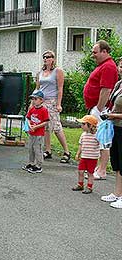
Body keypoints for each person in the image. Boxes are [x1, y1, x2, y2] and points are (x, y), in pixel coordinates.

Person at [83, 40, 118, 180]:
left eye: (95, 52)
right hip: (96, 107)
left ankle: (102, 170)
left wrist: (98, 109)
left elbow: (106, 90)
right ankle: (99, 167)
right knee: (98, 138)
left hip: (100, 108)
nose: (93, 55)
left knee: (102, 139)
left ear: (104, 52)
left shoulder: (108, 67)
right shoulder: (103, 65)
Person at [36, 50, 71, 163]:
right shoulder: (40, 72)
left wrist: (59, 103)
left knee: (56, 126)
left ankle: (66, 151)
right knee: (45, 126)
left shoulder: (57, 71)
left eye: (48, 57)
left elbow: (60, 88)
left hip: (52, 101)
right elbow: (38, 88)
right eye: (44, 57)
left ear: (53, 59)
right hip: (42, 101)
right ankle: (48, 150)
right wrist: (34, 101)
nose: (46, 59)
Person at [100, 57, 122, 207]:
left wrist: (112, 115)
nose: (121, 68)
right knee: (117, 163)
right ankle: (117, 193)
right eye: (121, 65)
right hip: (116, 127)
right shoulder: (119, 84)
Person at [22, 90, 49, 174]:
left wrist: (36, 126)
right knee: (31, 149)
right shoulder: (32, 109)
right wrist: (30, 126)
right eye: (33, 99)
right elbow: (28, 118)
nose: (34, 101)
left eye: (36, 99)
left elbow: (46, 121)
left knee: (38, 149)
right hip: (32, 133)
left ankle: (38, 165)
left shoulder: (44, 110)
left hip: (39, 134)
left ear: (41, 100)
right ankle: (31, 162)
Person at [72, 115, 100, 194]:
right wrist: (78, 154)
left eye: (83, 124)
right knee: (80, 171)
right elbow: (81, 145)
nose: (81, 126)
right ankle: (80, 184)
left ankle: (89, 187)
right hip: (84, 157)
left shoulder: (97, 135)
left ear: (90, 125)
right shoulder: (83, 135)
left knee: (90, 173)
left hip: (92, 158)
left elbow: (101, 146)